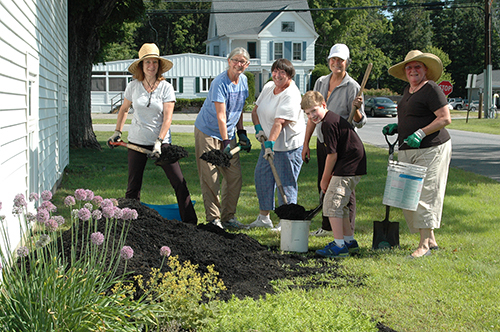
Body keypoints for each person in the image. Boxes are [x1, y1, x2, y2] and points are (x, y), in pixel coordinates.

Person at [107, 43, 197, 224]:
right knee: (133, 187)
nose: (151, 66)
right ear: (141, 65)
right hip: (136, 141)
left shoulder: (166, 88)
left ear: (159, 65)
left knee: (179, 183)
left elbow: (167, 118)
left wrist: (159, 141)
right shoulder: (133, 86)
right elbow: (124, 109)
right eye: (147, 62)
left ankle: (190, 223)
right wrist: (117, 131)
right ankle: (129, 225)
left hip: (161, 143)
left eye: (154, 62)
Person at [384, 50, 452, 258]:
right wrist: (398, 126)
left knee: (425, 194)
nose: (413, 70)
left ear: (425, 70)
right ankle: (430, 239)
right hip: (408, 148)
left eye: (417, 67)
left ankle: (423, 246)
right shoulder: (408, 90)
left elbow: (445, 118)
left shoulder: (431, 88)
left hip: (431, 148)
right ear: (405, 72)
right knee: (408, 196)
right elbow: (414, 115)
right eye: (409, 67)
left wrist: (421, 133)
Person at [302, 43, 365, 237]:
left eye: (340, 60)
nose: (336, 63)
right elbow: (313, 114)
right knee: (323, 183)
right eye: (333, 59)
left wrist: (356, 109)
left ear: (347, 62)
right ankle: (327, 226)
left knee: (343, 189)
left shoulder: (353, 86)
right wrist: (306, 144)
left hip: (342, 146)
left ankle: (347, 233)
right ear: (329, 61)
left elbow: (360, 121)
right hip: (323, 141)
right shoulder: (321, 81)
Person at [301, 91, 366, 258]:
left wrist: (324, 179)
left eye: (314, 110)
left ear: (324, 105)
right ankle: (349, 241)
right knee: (341, 205)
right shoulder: (328, 120)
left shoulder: (328, 123)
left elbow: (332, 155)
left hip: (348, 164)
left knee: (332, 204)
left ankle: (339, 246)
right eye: (308, 114)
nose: (312, 116)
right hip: (351, 163)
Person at [194, 47, 252, 230]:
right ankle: (214, 219)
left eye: (242, 61)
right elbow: (221, 115)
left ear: (247, 65)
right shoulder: (219, 82)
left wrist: (241, 131)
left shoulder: (243, 81)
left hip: (229, 133)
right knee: (211, 176)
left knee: (234, 176)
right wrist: (226, 142)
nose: (238, 64)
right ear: (229, 61)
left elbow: (239, 107)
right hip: (208, 132)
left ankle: (229, 217)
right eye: (235, 60)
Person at [248, 58, 305, 230]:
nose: (277, 75)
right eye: (275, 71)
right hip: (268, 144)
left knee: (286, 183)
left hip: (288, 147)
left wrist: (270, 144)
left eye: (282, 73)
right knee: (262, 177)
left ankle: (287, 221)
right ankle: (264, 218)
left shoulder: (292, 94)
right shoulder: (268, 87)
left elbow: (279, 122)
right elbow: (255, 111)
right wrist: (258, 128)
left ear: (289, 76)